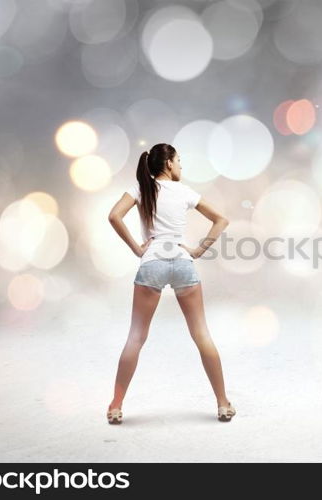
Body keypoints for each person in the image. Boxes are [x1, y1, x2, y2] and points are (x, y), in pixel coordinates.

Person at [106, 143, 235, 423]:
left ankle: (115, 406)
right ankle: (223, 403)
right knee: (202, 334)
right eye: (179, 161)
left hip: (152, 263)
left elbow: (114, 216)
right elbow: (221, 220)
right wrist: (199, 250)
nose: (180, 166)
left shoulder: (141, 189)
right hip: (182, 262)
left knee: (136, 338)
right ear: (168, 164)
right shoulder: (185, 192)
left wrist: (137, 249)